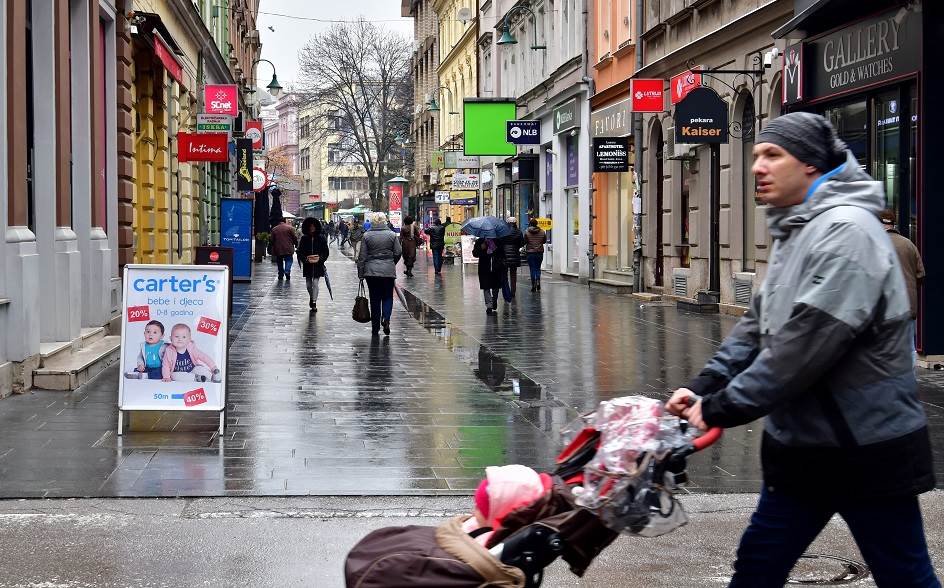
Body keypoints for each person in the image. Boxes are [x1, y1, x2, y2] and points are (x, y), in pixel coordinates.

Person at [666, 113, 937, 588]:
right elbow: (757, 328)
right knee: (757, 566)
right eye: (755, 156)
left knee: (905, 575)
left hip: (863, 446)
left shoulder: (847, 233)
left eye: (773, 155)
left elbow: (802, 348)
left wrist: (719, 408)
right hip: (807, 446)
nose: (757, 167)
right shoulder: (800, 230)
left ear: (811, 164)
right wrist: (701, 385)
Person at [460, 465, 552, 547]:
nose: (473, 511)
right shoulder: (479, 524)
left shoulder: (486, 542)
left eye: (478, 508)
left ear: (497, 516)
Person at [880, 209, 925, 365]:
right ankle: (910, 382)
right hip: (907, 306)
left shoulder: (876, 244)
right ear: (893, 223)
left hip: (885, 307)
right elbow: (920, 275)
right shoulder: (909, 244)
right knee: (908, 347)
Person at [357, 212, 402, 336]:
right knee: (387, 296)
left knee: (375, 299)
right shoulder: (392, 235)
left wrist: (361, 273)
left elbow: (362, 256)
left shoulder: (366, 236)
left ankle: (375, 327)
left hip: (371, 272)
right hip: (388, 271)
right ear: (385, 221)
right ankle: (385, 318)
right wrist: (391, 262)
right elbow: (398, 252)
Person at [297, 218, 330, 312]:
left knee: (315, 283)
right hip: (308, 265)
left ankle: (314, 302)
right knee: (308, 285)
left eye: (313, 226)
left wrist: (321, 259)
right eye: (310, 226)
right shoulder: (304, 238)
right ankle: (312, 297)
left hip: (318, 264)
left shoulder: (321, 238)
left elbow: (326, 252)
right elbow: (300, 252)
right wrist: (305, 259)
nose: (312, 228)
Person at [472, 236, 505, 315]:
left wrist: (494, 248)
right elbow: (475, 253)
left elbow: (502, 253)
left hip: (496, 267)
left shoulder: (497, 240)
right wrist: (481, 248)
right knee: (486, 287)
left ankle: (494, 300)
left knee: (495, 287)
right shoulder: (480, 241)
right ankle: (489, 306)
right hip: (484, 268)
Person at [499, 217, 524, 301]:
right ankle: (513, 292)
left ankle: (507, 291)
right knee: (513, 274)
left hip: (504, 255)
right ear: (515, 223)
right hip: (515, 255)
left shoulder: (503, 231)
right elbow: (522, 243)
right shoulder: (518, 232)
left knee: (504, 274)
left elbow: (500, 242)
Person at [524, 218, 547, 292]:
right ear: (537, 224)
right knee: (538, 268)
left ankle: (533, 284)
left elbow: (525, 241)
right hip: (539, 252)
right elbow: (544, 241)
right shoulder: (542, 232)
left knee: (532, 268)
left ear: (530, 224)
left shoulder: (527, 232)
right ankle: (538, 282)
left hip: (530, 253)